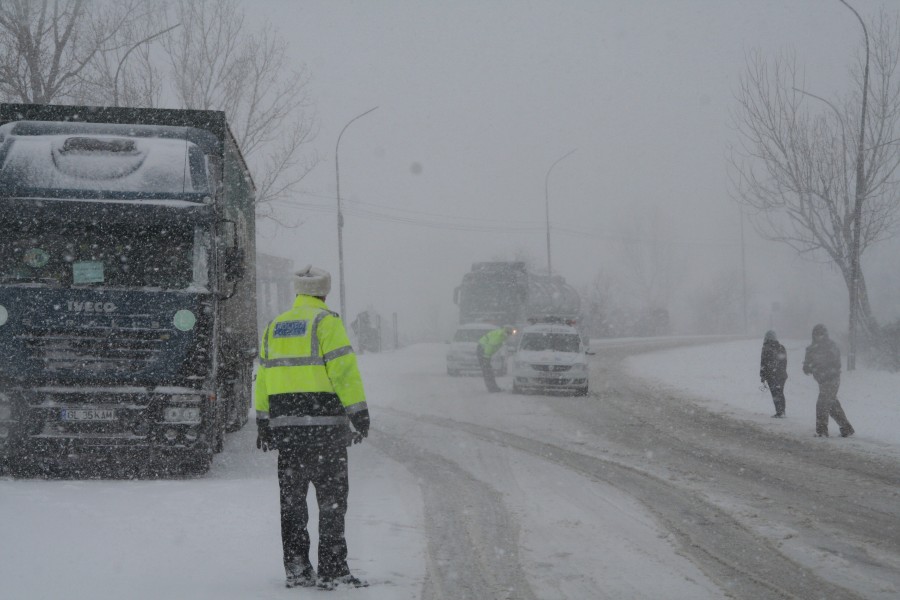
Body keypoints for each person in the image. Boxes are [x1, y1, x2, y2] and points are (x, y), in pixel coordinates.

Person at [254, 265, 371, 590]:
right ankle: (333, 569)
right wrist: (359, 413)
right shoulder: (326, 322)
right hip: (325, 431)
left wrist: (263, 420)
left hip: (288, 432)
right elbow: (344, 373)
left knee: (292, 503)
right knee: (332, 501)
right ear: (324, 291)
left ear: (297, 291)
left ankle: (297, 569)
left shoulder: (275, 326)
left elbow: (263, 376)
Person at [802, 324, 854, 438]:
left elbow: (836, 364)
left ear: (825, 334)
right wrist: (807, 367)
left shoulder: (831, 347)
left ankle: (821, 431)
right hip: (822, 381)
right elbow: (807, 363)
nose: (819, 336)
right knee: (831, 404)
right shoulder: (812, 349)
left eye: (821, 334)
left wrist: (822, 369)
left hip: (831, 379)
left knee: (822, 404)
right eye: (816, 334)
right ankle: (846, 428)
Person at [759, 330, 788, 417]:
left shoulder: (766, 348)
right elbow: (784, 362)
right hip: (781, 375)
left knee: (775, 393)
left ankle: (780, 412)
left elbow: (763, 363)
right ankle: (782, 411)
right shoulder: (781, 347)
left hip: (771, 375)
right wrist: (781, 371)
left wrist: (763, 375)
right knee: (780, 392)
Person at [477, 325, 513, 392]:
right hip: (483, 351)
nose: (510, 336)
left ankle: (492, 387)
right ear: (508, 332)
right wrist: (486, 357)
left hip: (483, 351)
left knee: (488, 371)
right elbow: (490, 346)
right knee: (488, 371)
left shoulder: (501, 335)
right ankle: (492, 388)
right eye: (510, 333)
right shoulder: (499, 336)